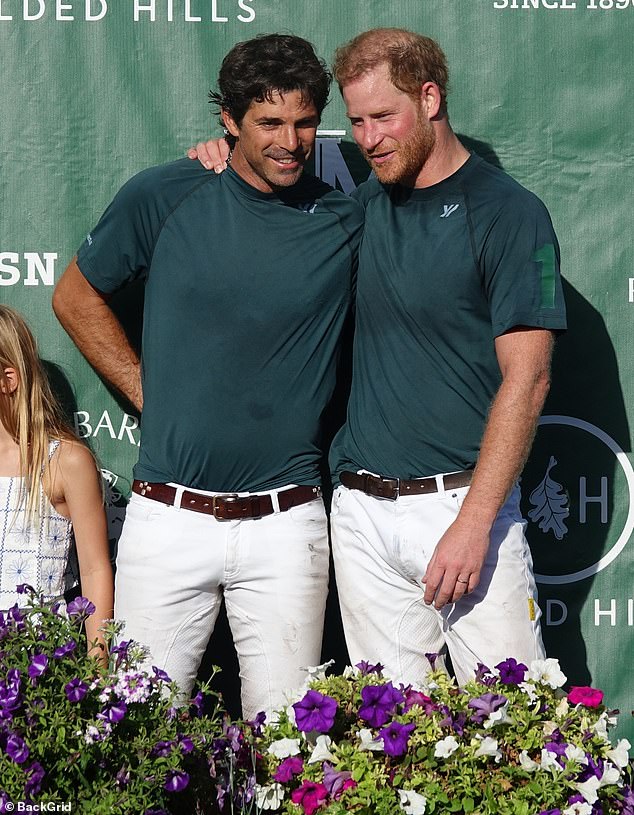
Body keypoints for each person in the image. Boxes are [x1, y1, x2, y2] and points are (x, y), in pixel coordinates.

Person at [192, 28, 566, 689]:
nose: (367, 140)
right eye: (357, 122)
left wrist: (474, 521)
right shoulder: (358, 210)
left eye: (383, 117)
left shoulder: (510, 213)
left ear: (429, 98)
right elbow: (263, 199)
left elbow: (529, 377)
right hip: (361, 514)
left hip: (461, 507)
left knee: (516, 733)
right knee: (389, 742)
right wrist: (225, 158)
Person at [52, 34, 363, 717]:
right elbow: (74, 296)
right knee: (135, 733)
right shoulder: (166, 193)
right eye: (270, 123)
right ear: (229, 121)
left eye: (306, 122)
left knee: (288, 745)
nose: (291, 141)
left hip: (289, 522)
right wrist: (146, 393)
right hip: (169, 518)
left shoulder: (346, 218)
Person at [0, 305, 113, 655]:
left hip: (36, 668)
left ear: (9, 379)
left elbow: (95, 570)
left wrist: (97, 670)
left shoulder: (65, 461)